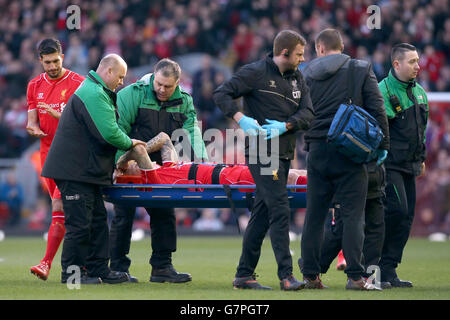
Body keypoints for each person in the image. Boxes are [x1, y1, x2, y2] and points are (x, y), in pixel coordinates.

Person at [213, 30, 314, 291]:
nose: (302, 59)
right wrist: (240, 118)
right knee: (280, 208)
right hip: (261, 152)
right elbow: (221, 93)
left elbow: (308, 113)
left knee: (262, 213)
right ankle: (287, 276)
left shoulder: (297, 78)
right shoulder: (255, 72)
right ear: (284, 53)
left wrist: (286, 125)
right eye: (300, 54)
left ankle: (243, 275)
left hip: (284, 152)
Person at [41, 54, 146, 285]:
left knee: (98, 221)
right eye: (120, 77)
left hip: (84, 171)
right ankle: (72, 275)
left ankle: (99, 269)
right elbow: (109, 133)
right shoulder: (94, 93)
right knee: (79, 225)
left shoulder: (94, 91)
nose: (121, 82)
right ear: (107, 71)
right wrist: (132, 144)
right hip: (74, 171)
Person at [299, 28, 389, 290]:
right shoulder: (360, 69)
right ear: (342, 46)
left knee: (314, 215)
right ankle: (355, 277)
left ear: (320, 49)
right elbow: (378, 109)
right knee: (352, 215)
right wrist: (383, 146)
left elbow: (298, 114)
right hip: (351, 152)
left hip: (317, 151)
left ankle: (311, 276)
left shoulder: (305, 74)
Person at [109, 58, 207, 283]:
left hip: (160, 167)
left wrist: (203, 161)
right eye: (159, 84)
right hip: (129, 162)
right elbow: (118, 130)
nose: (162, 90)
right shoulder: (132, 94)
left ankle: (162, 268)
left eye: (168, 87)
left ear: (178, 84)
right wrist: (120, 163)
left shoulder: (184, 101)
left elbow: (192, 130)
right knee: (123, 216)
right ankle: (117, 269)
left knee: (164, 214)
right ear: (153, 77)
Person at [26, 38, 85, 281]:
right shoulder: (34, 85)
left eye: (56, 61)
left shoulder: (77, 84)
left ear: (63, 57)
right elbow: (31, 117)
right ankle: (77, 266)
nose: (52, 66)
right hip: (47, 155)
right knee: (62, 212)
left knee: (60, 208)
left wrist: (59, 115)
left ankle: (47, 263)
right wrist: (32, 127)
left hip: (70, 155)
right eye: (47, 62)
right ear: (40, 61)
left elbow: (83, 123)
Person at [378, 43, 428, 288]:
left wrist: (422, 158)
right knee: (396, 210)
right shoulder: (383, 91)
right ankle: (374, 266)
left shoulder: (420, 92)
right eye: (412, 62)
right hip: (389, 164)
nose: (417, 66)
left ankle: (388, 270)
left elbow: (422, 131)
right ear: (396, 64)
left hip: (410, 164)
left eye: (418, 61)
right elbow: (380, 131)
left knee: (406, 216)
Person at [115, 132, 308, 188]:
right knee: (285, 177)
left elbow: (164, 138)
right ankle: (324, 183)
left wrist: (126, 162)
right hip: (226, 179)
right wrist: (122, 162)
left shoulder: (167, 169)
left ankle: (321, 179)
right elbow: (139, 151)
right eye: (130, 167)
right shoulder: (153, 180)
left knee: (289, 174)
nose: (132, 164)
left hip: (229, 172)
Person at [317, 161, 387, 288]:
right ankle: (313, 265)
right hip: (351, 177)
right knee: (342, 230)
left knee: (376, 230)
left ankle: (368, 277)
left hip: (374, 179)